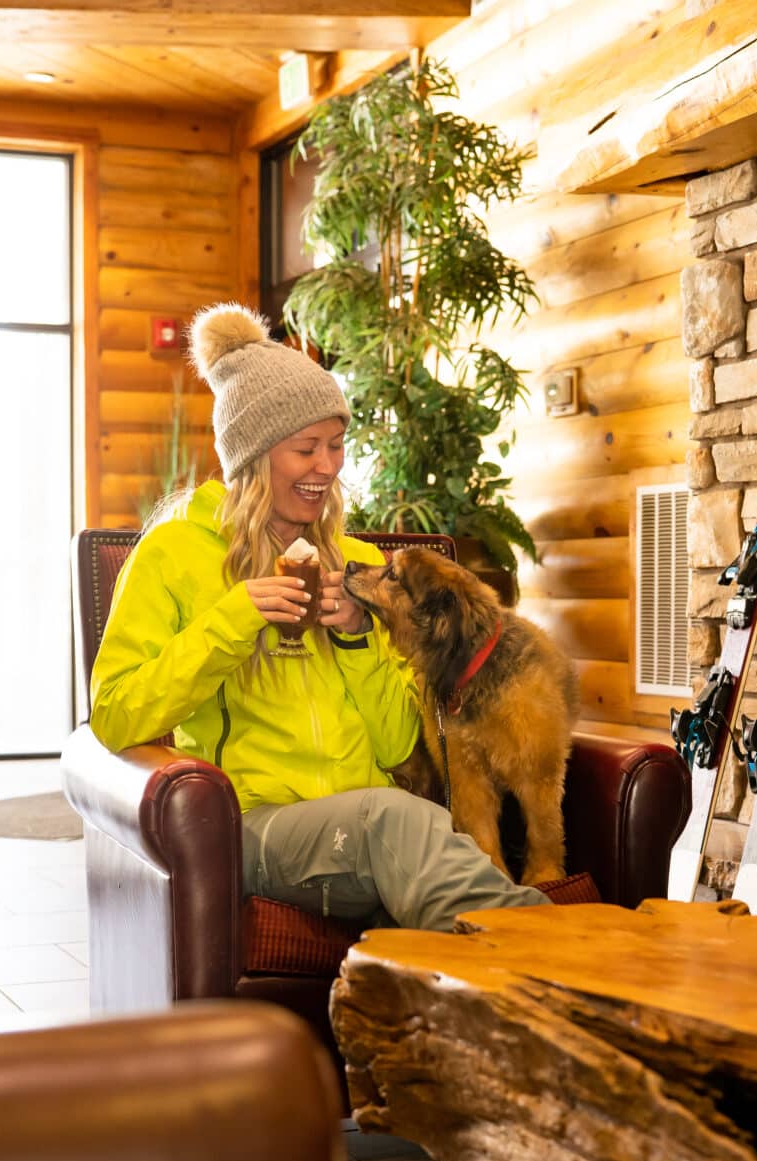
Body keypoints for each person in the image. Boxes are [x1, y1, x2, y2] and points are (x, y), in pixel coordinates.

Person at [89, 304, 548, 932]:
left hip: (370, 826)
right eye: (306, 448)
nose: (328, 467)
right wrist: (233, 619)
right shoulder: (170, 555)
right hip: (253, 828)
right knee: (395, 821)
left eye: (336, 445)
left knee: (395, 820)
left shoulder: (363, 569)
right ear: (251, 459)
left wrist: (359, 638)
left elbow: (395, 745)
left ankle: (542, 967)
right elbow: (114, 715)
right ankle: (576, 948)